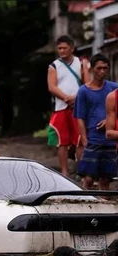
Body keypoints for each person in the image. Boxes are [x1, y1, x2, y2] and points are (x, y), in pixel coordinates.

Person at [74, 54, 118, 192]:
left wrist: (109, 121)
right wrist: (85, 140)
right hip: (93, 138)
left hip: (110, 140)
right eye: (99, 68)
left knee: (106, 179)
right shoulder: (84, 91)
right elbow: (80, 117)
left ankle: (104, 208)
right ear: (92, 69)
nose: (102, 71)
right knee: (88, 178)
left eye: (105, 68)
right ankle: (85, 204)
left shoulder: (113, 88)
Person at [47, 35, 90, 176]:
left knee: (79, 140)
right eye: (59, 48)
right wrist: (66, 98)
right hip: (60, 107)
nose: (62, 51)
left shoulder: (82, 63)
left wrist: (76, 98)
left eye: (65, 48)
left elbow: (87, 84)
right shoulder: (54, 66)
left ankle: (80, 171)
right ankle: (64, 172)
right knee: (62, 142)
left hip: (78, 107)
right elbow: (51, 87)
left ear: (72, 48)